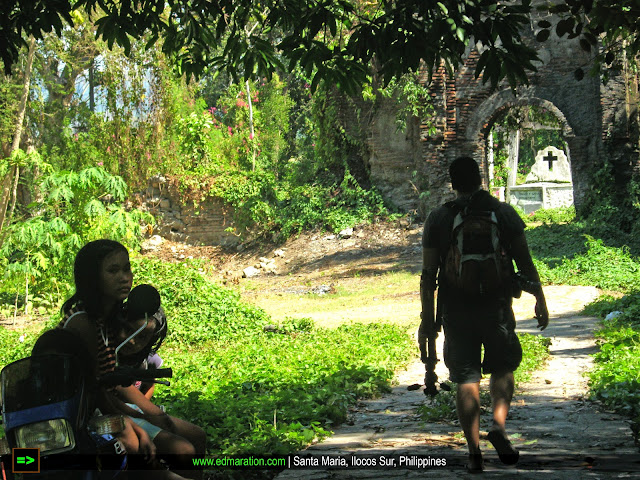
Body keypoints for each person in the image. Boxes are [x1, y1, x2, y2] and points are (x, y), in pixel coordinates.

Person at [419, 156, 549, 472]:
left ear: (453, 183)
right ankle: (500, 427)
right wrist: (540, 298)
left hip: (456, 310)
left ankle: (474, 451)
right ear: (480, 179)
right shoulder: (503, 213)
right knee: (503, 368)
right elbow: (525, 262)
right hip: (497, 307)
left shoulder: (438, 218)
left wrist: (428, 319)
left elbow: (428, 275)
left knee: (465, 378)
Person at [60, 239, 204, 478]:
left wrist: (153, 414)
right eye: (113, 270)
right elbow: (96, 393)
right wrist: (138, 422)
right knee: (183, 450)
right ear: (92, 278)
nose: (124, 277)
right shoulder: (83, 322)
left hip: (107, 410)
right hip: (86, 419)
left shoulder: (104, 320)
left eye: (126, 269)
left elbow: (112, 381)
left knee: (196, 435)